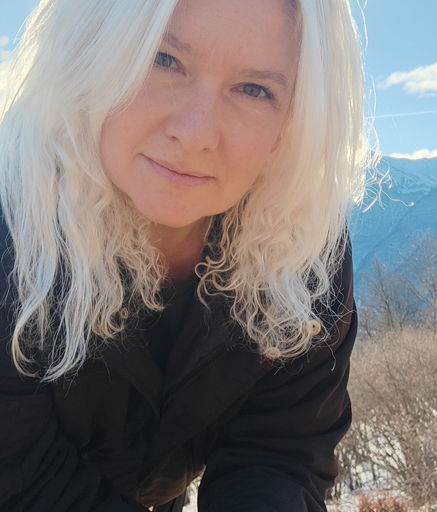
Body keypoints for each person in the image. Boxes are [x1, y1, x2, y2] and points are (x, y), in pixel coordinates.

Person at [0, 0, 366, 510]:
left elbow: (281, 452)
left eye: (254, 89)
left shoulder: (300, 249)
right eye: (163, 59)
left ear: (291, 122)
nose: (195, 135)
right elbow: (18, 475)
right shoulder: (13, 223)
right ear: (88, 55)